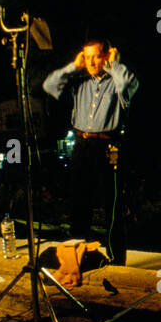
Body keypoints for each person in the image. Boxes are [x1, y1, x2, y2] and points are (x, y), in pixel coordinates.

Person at [43, 39, 139, 265]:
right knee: (78, 202)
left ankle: (117, 260)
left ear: (106, 56)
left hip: (109, 145)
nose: (91, 61)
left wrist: (115, 64)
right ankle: (77, 256)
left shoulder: (116, 80)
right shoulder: (80, 82)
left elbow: (128, 86)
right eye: (87, 57)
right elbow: (49, 85)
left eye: (95, 56)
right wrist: (73, 66)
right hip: (81, 144)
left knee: (112, 203)